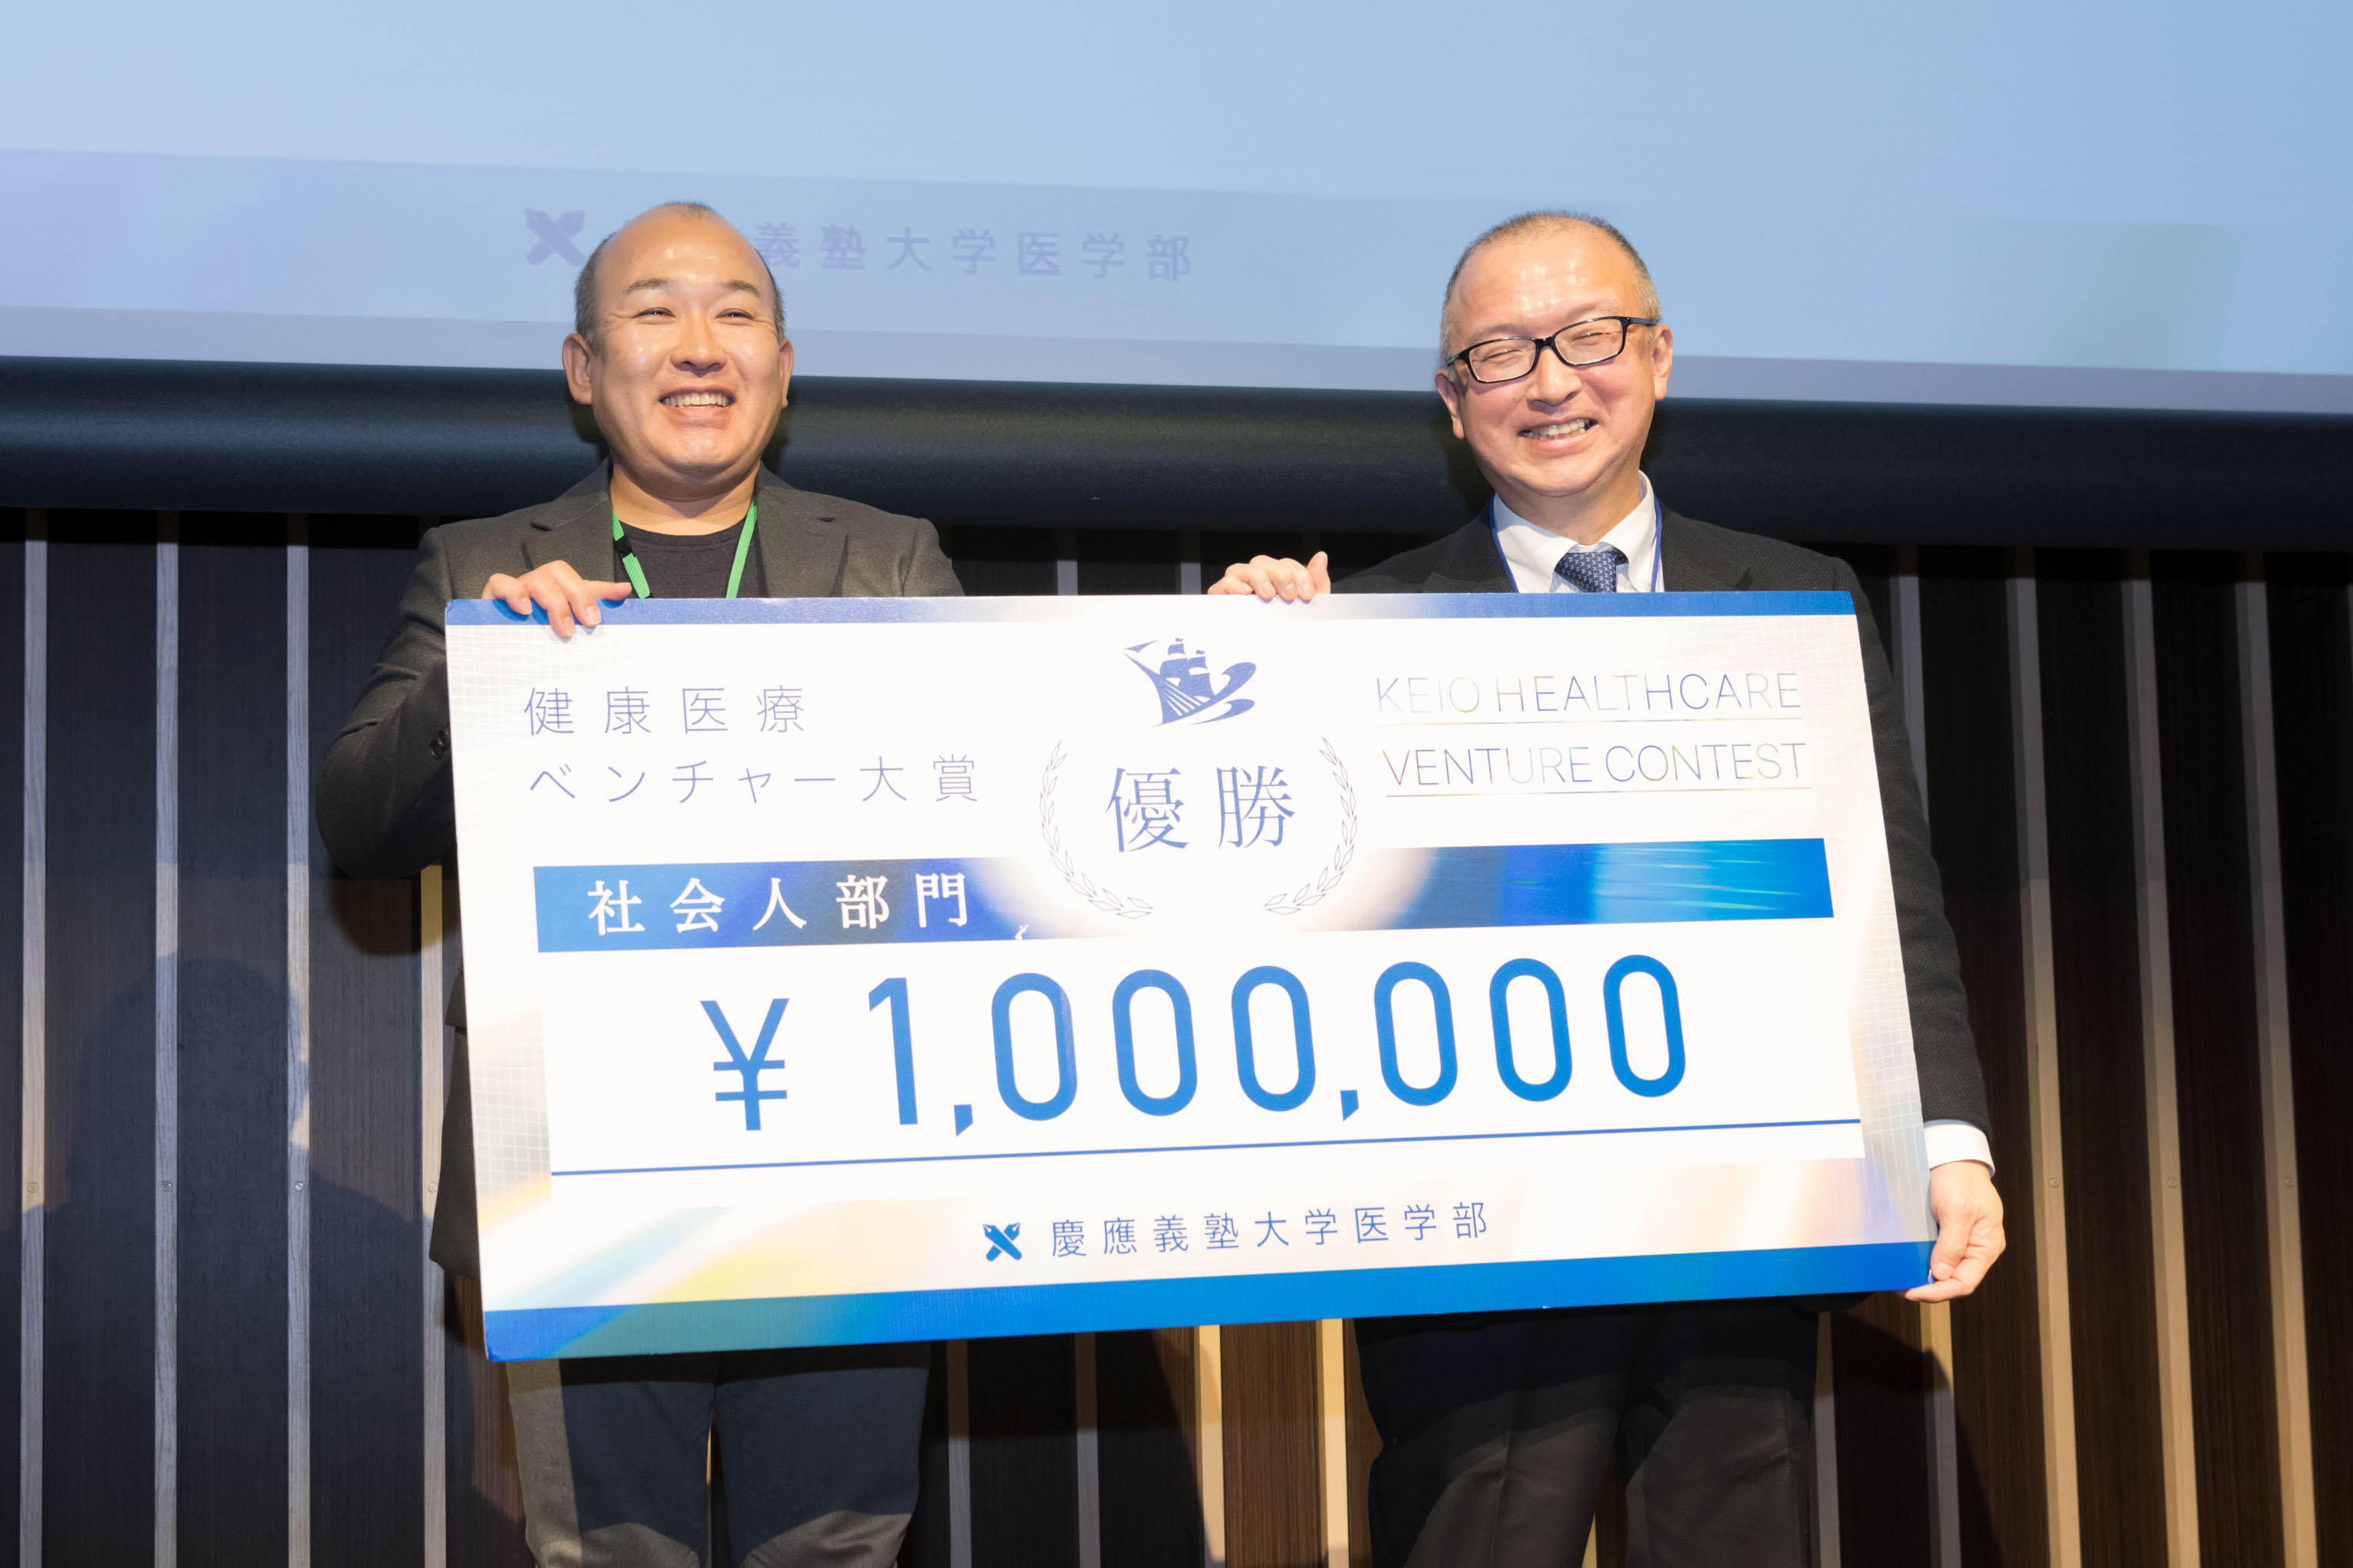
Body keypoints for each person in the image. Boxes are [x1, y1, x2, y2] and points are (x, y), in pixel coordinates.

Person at [1211, 211, 2006, 1568]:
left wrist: (1947, 1141)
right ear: (1452, 401)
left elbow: (1888, 894)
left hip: (1750, 1201)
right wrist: (1246, 675)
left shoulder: (1794, 597)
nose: (1550, 381)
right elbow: (1275, 897)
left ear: (1659, 355)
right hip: (1474, 1236)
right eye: (1500, 355)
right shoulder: (1355, 631)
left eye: (1589, 337)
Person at [318, 201, 960, 1568]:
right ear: (582, 367)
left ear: (783, 366)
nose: (699, 346)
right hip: (583, 1157)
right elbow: (360, 820)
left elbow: (999, 801)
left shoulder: (887, 557)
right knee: (610, 1553)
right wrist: (482, 667)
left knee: (837, 1549)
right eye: (655, 312)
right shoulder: (486, 562)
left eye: (736, 313)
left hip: (849, 1154)